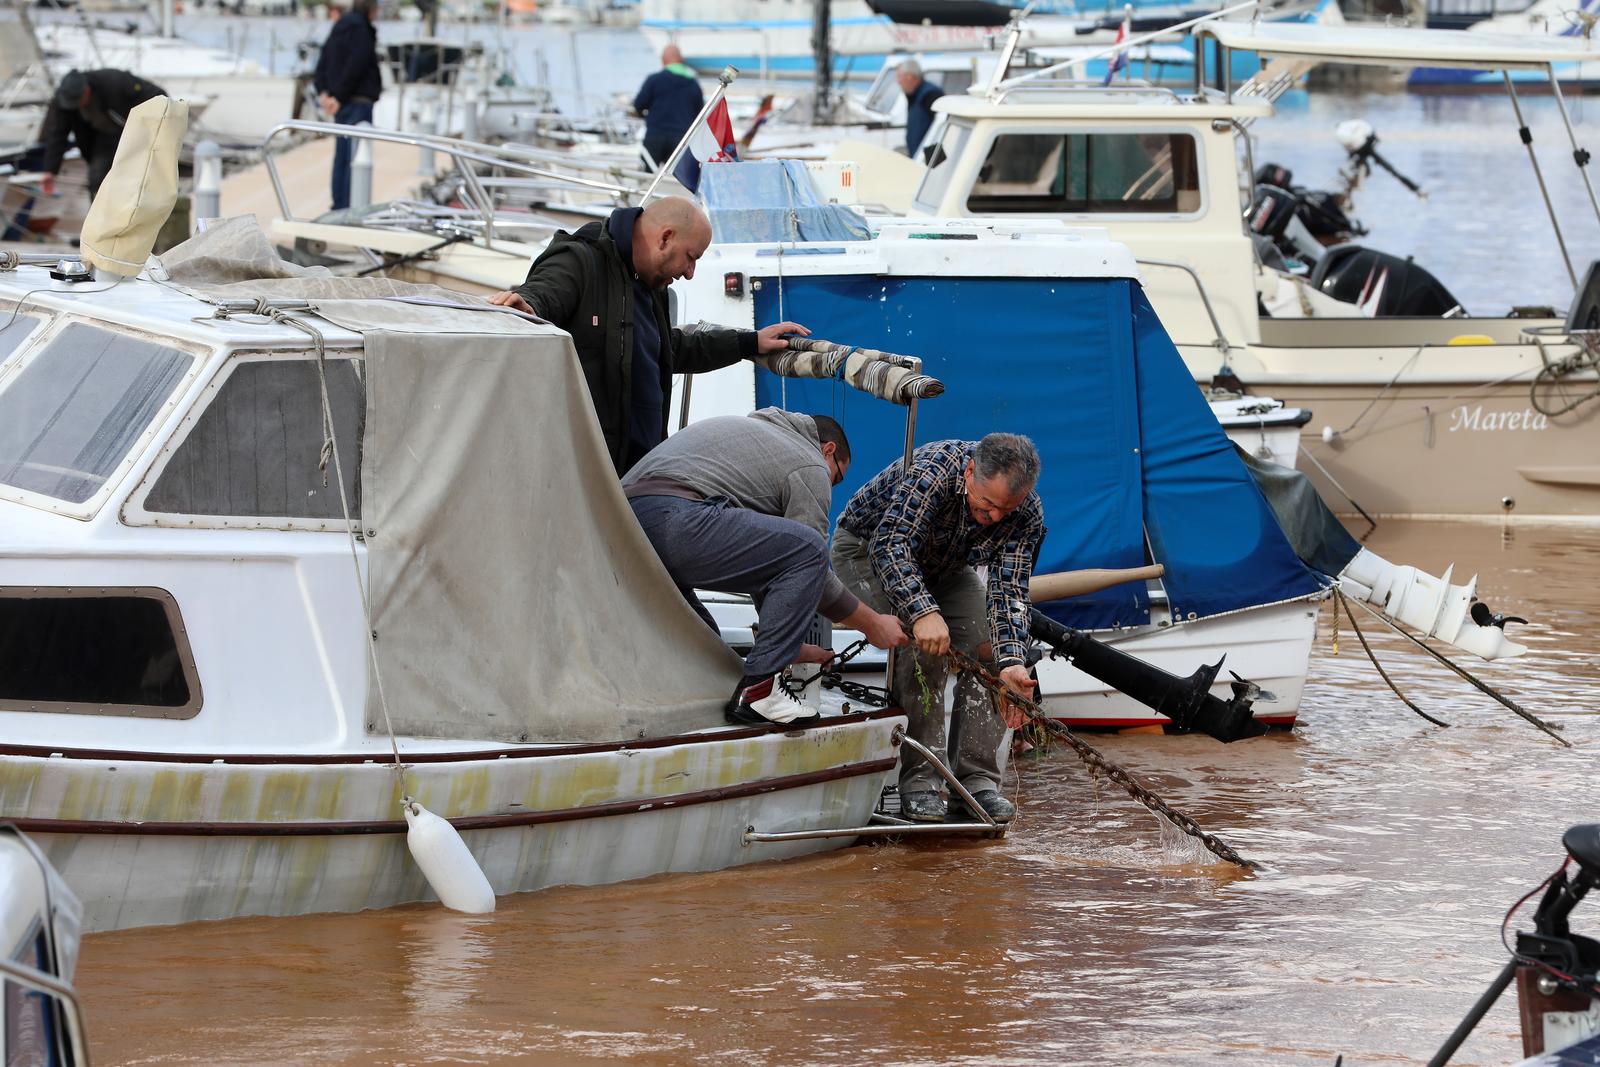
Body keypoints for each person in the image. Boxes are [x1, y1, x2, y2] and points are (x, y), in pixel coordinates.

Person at [622, 408, 908, 727]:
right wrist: (872, 624)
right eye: (837, 477)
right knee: (810, 548)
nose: (831, 487)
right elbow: (810, 566)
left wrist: (788, 647)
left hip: (622, 525)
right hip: (678, 520)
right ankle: (760, 691)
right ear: (828, 450)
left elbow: (769, 565)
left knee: (707, 647)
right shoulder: (810, 463)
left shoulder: (753, 440)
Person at [489, 197, 809, 476]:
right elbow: (544, 294)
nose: (690, 273)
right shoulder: (580, 261)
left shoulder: (650, 284)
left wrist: (750, 343)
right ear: (665, 238)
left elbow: (669, 349)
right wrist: (526, 305)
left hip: (641, 475)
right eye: (691, 257)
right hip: (589, 480)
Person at [831, 433, 1045, 824]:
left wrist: (1012, 660)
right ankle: (921, 784)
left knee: (993, 652)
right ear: (969, 471)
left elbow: (1010, 589)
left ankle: (976, 783)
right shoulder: (935, 468)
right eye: (988, 504)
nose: (996, 517)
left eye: (1007, 509)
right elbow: (890, 546)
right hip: (866, 550)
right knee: (925, 649)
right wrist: (922, 611)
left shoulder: (1027, 514)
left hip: (945, 566)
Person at [38, 69, 166, 201]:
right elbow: (58, 133)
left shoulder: (114, 82)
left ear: (86, 90)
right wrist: (50, 171)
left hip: (137, 134)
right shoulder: (63, 101)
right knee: (97, 177)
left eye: (78, 100)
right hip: (104, 138)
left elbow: (158, 96)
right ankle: (98, 210)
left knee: (142, 176)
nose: (76, 105)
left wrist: (155, 132)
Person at [313, 0, 382, 212]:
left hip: (340, 102)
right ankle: (350, 209)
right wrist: (339, 97)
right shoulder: (362, 30)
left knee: (342, 158)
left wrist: (325, 92)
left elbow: (323, 62)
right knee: (355, 157)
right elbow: (357, 65)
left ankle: (339, 206)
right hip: (356, 101)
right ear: (371, 10)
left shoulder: (339, 27)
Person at [633, 45, 704, 166]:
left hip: (655, 135)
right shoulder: (693, 84)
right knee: (677, 175)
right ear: (681, 60)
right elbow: (699, 113)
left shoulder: (654, 80)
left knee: (648, 173)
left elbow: (639, 104)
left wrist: (645, 117)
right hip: (681, 138)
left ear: (663, 60)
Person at [896, 59, 943, 159]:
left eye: (900, 77)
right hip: (917, 157)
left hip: (928, 160)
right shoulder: (913, 95)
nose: (898, 82)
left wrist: (929, 161)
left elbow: (942, 130)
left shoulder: (931, 95)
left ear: (910, 77)